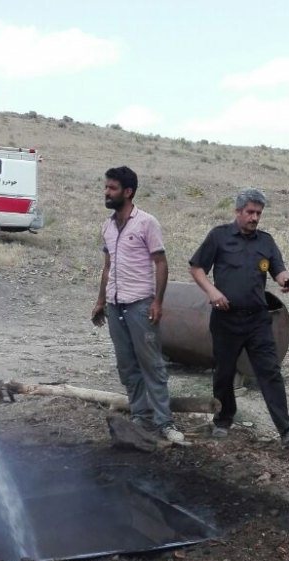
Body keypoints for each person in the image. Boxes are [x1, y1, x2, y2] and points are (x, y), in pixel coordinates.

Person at [188, 188, 289, 447]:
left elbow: (278, 270)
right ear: (238, 212)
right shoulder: (219, 237)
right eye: (250, 212)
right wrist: (212, 292)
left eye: (258, 213)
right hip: (225, 320)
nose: (254, 218)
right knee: (224, 373)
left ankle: (286, 428)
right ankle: (222, 419)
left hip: (257, 321)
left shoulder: (266, 241)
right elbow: (196, 268)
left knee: (270, 372)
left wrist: (284, 280)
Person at [90, 166, 187, 445]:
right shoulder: (107, 226)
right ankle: (140, 417)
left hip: (140, 305)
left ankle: (164, 422)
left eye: (112, 188)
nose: (106, 192)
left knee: (151, 364)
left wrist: (157, 301)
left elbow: (161, 263)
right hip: (115, 305)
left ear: (128, 192)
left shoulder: (146, 223)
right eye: (106, 187)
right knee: (126, 365)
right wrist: (100, 301)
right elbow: (107, 266)